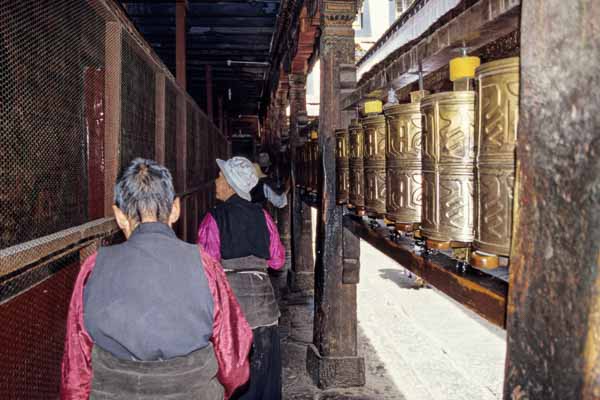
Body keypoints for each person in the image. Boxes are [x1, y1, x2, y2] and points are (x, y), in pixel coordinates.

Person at [61, 158, 252, 400]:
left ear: (119, 216)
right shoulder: (203, 265)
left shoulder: (93, 267)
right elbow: (234, 357)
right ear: (175, 209)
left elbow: (76, 367)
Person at [197, 156, 285, 400]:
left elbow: (205, 266)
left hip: (232, 316)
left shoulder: (214, 219)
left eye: (220, 176)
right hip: (266, 314)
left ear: (230, 184)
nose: (216, 181)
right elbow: (278, 260)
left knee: (234, 384)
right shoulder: (263, 217)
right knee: (264, 386)